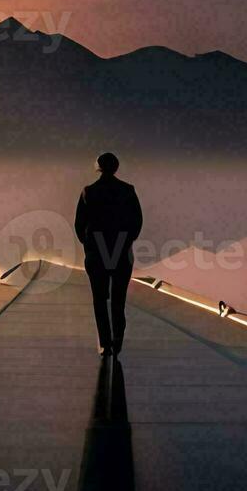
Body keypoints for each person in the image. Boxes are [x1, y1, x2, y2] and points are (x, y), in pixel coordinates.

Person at [74, 152, 143, 356]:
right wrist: (127, 241)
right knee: (118, 298)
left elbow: (79, 224)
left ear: (98, 167)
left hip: (96, 252)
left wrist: (89, 244)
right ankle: (118, 338)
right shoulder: (127, 191)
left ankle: (105, 342)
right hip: (122, 251)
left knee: (99, 298)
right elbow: (137, 221)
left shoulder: (88, 192)